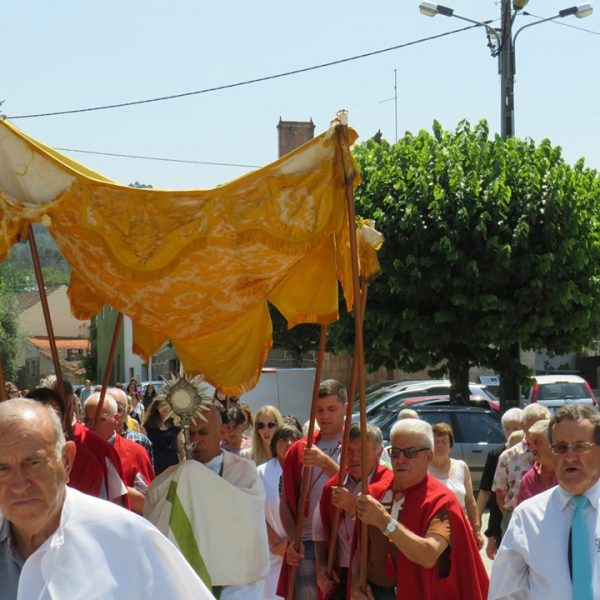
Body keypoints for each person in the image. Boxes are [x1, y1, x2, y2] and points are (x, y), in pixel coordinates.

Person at [0, 398, 214, 600]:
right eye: (2, 468)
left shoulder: (130, 539)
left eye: (33, 463)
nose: (19, 484)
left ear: (66, 461)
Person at [352, 419, 489, 600]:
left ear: (429, 457)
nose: (400, 460)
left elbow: (428, 555)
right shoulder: (375, 494)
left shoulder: (441, 501)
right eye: (395, 452)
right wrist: (355, 584)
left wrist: (385, 522)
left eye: (410, 452)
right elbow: (360, 548)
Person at [145, 403, 270, 599]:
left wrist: (195, 480)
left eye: (203, 432)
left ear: (222, 432)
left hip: (233, 583)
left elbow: (248, 522)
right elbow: (155, 512)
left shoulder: (244, 472)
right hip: (186, 582)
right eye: (191, 433)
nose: (196, 440)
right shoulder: (175, 476)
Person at [489, 405, 600, 599]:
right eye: (560, 448)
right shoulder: (527, 516)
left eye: (580, 446)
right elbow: (505, 593)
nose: (570, 457)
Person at [278, 379, 347, 600]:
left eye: (331, 409)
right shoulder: (299, 449)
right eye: (319, 410)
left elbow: (358, 487)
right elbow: (286, 503)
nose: (325, 416)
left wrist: (325, 462)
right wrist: (293, 540)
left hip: (345, 543)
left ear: (345, 408)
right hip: (307, 543)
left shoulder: (355, 445)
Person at [313, 424, 393, 600]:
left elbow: (389, 533)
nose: (355, 457)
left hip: (375, 577)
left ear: (378, 453)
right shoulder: (333, 486)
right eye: (349, 450)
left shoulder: (390, 486)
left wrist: (353, 509)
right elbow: (319, 532)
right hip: (340, 575)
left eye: (362, 451)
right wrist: (321, 567)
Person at [26, 387, 104, 499]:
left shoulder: (86, 463)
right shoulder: (7, 458)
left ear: (63, 420)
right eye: (35, 418)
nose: (43, 424)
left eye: (53, 416)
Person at [84, 392, 155, 514]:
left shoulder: (136, 452)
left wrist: (115, 488)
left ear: (116, 419)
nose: (92, 426)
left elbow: (150, 505)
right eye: (87, 420)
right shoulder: (77, 449)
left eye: (100, 420)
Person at [257, 424, 303, 599]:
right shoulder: (260, 473)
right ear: (275, 444)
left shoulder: (307, 472)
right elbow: (253, 511)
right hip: (271, 552)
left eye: (294, 439)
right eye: (283, 439)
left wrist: (293, 542)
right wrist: (275, 542)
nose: (289, 443)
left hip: (300, 551)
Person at [492, 403, 550, 535]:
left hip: (549, 515)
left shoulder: (556, 454)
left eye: (541, 425)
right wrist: (513, 516)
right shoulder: (508, 456)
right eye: (532, 426)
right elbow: (500, 493)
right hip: (515, 516)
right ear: (523, 425)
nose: (537, 430)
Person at [476, 407, 523, 560]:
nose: (510, 432)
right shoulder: (496, 454)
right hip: (500, 518)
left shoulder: (532, 453)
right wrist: (476, 521)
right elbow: (485, 491)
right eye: (507, 428)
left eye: (515, 428)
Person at [429, 422, 483, 548]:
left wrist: (476, 530)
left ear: (450, 445)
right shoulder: (423, 469)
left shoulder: (461, 466)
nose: (439, 445)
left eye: (444, 441)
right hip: (432, 531)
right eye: (436, 442)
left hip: (460, 528)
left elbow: (470, 501)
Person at [517, 419, 557, 504]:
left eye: (537, 442)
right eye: (530, 442)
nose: (532, 448)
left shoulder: (570, 475)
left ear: (553, 444)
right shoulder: (528, 479)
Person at [143, 398, 183, 475]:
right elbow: (145, 450)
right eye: (163, 405)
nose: (166, 408)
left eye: (169, 405)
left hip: (174, 468)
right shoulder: (148, 427)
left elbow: (180, 448)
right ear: (157, 407)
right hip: (156, 468)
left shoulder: (176, 425)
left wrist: (185, 463)